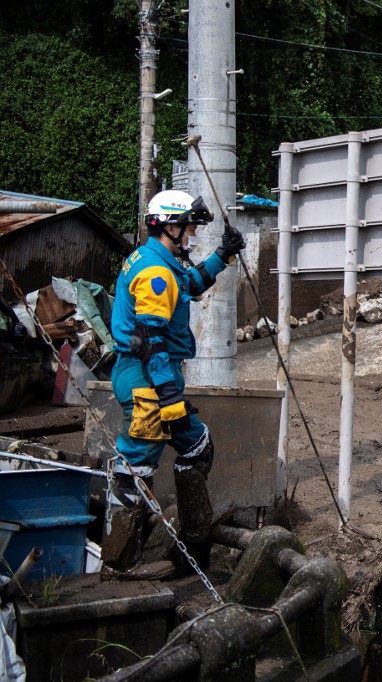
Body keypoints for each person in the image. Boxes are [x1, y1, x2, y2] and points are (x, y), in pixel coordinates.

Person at [101, 189, 244, 580]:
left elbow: (190, 284)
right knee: (136, 467)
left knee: (196, 447)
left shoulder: (159, 260)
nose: (193, 234)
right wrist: (169, 395)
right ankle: (116, 567)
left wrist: (222, 256)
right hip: (147, 377)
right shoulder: (155, 272)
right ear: (169, 225)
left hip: (152, 374)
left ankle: (190, 554)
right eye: (190, 226)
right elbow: (151, 342)